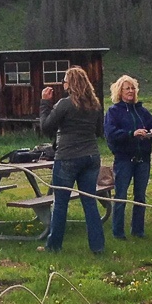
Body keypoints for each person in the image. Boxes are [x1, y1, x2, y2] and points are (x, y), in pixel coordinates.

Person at [39, 66, 105, 253]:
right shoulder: (95, 104)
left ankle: (54, 247)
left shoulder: (64, 104)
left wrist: (44, 103)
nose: (63, 84)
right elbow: (99, 131)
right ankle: (98, 247)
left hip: (68, 157)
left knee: (60, 203)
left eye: (65, 80)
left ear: (72, 84)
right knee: (90, 202)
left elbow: (46, 127)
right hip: (91, 156)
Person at [103, 75, 152, 239]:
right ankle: (118, 232)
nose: (130, 91)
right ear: (119, 91)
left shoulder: (142, 111)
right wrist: (132, 134)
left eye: (132, 88)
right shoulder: (113, 112)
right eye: (127, 88)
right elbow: (111, 134)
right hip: (124, 160)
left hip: (143, 159)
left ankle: (138, 231)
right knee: (121, 195)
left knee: (140, 197)